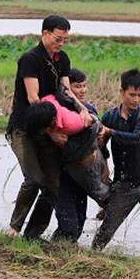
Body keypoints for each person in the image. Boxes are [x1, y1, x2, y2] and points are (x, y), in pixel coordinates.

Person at [6, 15, 91, 240]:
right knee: (34, 178)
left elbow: (65, 91)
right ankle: (14, 228)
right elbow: (34, 99)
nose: (61, 44)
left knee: (52, 185)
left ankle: (32, 236)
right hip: (25, 126)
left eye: (64, 40)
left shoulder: (62, 59)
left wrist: (81, 109)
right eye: (57, 39)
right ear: (45, 34)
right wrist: (52, 131)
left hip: (49, 127)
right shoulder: (30, 59)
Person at [92, 69, 140, 257]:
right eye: (132, 95)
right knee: (105, 232)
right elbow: (101, 148)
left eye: (139, 95)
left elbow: (138, 138)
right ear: (121, 92)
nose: (136, 99)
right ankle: (91, 258)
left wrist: (110, 133)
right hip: (124, 186)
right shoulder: (109, 117)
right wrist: (102, 146)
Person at [50, 68, 111, 242]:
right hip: (62, 175)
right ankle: (57, 251)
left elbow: (100, 144)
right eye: (78, 86)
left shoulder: (89, 109)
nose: (83, 90)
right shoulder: (57, 108)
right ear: (67, 89)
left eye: (85, 86)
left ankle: (62, 252)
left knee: (79, 222)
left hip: (83, 177)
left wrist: (105, 167)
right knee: (68, 223)